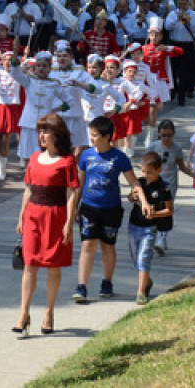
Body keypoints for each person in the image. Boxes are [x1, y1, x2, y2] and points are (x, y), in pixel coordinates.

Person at [13, 113, 79, 337]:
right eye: (39, 131)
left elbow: (71, 192)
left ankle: (49, 312)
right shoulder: (34, 158)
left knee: (52, 265)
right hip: (33, 215)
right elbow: (28, 189)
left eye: (46, 131)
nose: (41, 135)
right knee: (29, 264)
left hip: (55, 216)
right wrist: (21, 216)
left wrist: (69, 222)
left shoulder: (67, 161)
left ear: (56, 134)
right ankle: (23, 313)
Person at [73, 116, 148, 303]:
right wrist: (74, 206)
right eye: (90, 135)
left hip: (111, 210)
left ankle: (107, 282)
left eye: (95, 135)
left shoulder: (119, 157)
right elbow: (79, 183)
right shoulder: (86, 155)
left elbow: (133, 181)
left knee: (108, 246)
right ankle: (82, 286)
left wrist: (142, 198)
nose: (91, 139)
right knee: (87, 245)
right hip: (89, 208)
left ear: (107, 137)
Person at [127, 151, 173, 305]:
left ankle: (140, 291)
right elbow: (129, 197)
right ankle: (147, 280)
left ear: (159, 170)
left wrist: (156, 214)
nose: (146, 175)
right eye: (144, 171)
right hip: (134, 225)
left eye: (150, 172)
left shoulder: (163, 187)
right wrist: (132, 196)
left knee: (144, 257)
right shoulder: (139, 183)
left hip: (150, 228)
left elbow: (169, 210)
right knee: (135, 259)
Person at [146, 120, 193, 255]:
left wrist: (194, 175)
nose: (166, 138)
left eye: (169, 135)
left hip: (169, 185)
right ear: (159, 134)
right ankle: (153, 237)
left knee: (166, 210)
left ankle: (162, 238)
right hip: (154, 184)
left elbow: (182, 166)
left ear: (174, 134)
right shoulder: (153, 147)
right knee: (154, 209)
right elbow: (146, 166)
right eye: (163, 135)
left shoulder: (177, 148)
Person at [0, 51, 22, 180]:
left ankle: (2, 169)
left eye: (10, 60)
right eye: (5, 60)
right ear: (1, 62)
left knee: (5, 140)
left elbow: (27, 67)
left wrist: (23, 55)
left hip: (10, 107)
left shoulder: (18, 75)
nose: (7, 63)